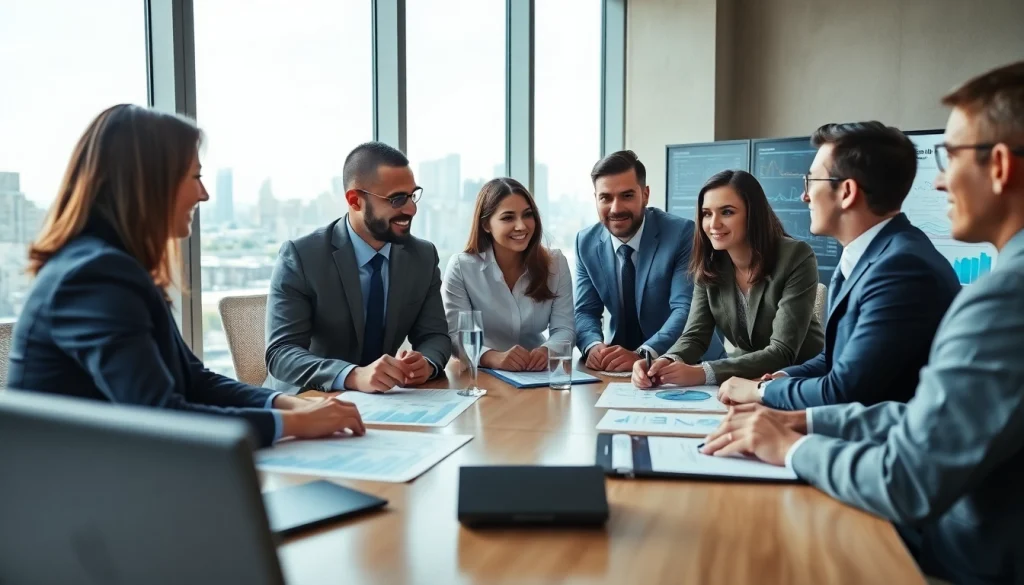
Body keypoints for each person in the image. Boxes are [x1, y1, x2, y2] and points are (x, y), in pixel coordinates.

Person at [702, 61, 1024, 585]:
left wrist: (791, 446)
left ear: (1002, 166)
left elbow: (908, 476)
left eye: (950, 156)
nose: (939, 180)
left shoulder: (998, 292)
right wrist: (806, 422)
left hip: (962, 549)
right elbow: (916, 415)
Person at [5, 104, 364, 447]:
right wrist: (294, 424)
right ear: (150, 183)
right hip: (74, 484)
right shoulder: (95, 276)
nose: (203, 194)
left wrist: (287, 405)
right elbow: (158, 416)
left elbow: (193, 380)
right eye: (195, 177)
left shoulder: (112, 266)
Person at [717, 122, 960, 409]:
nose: (804, 196)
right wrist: (780, 378)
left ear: (846, 192)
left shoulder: (902, 269)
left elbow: (844, 391)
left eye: (811, 182)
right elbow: (834, 359)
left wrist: (760, 391)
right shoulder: (867, 256)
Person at [265, 142, 452, 394]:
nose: (411, 209)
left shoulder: (423, 256)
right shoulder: (302, 256)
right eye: (397, 199)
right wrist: (353, 375)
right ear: (355, 201)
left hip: (388, 400)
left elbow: (435, 336)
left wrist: (426, 364)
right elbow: (281, 353)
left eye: (412, 195)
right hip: (310, 398)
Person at [633, 170, 824, 388]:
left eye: (727, 212)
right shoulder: (710, 263)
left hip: (802, 380)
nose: (714, 224)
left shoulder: (796, 256)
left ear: (753, 214)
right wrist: (665, 361)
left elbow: (782, 351)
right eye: (706, 214)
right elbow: (695, 336)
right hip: (746, 379)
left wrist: (703, 372)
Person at [574, 150, 727, 372]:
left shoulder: (682, 234)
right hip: (620, 367)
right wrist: (593, 346)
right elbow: (585, 311)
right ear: (596, 199)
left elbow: (684, 309)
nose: (616, 208)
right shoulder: (585, 242)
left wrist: (642, 354)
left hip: (688, 363)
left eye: (627, 196)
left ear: (645, 195)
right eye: (605, 197)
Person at [442, 178, 574, 371]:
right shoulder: (462, 267)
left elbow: (565, 328)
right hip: (483, 373)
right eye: (508, 218)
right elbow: (454, 335)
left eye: (527, 215)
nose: (521, 226)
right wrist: (492, 358)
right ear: (486, 224)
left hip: (535, 372)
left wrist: (548, 351)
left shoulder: (555, 263)